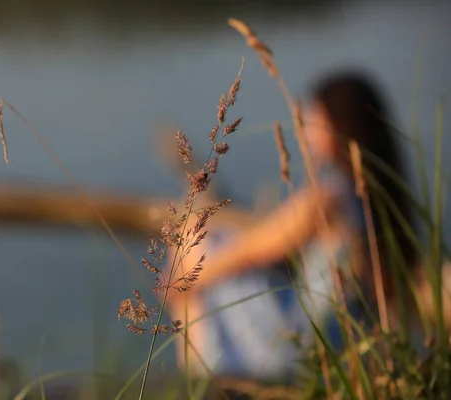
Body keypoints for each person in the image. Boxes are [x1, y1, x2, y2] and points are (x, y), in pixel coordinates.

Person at [166, 70, 418, 382]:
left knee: (196, 241)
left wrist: (177, 285)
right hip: (344, 346)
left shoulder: (328, 198)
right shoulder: (383, 200)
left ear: (337, 126)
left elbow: (250, 251)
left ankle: (197, 373)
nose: (304, 131)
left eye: (313, 120)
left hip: (298, 350)